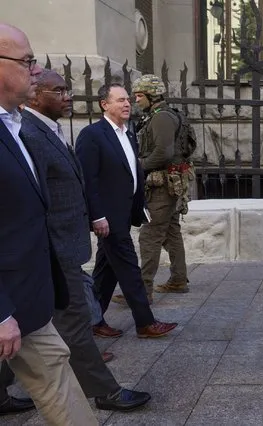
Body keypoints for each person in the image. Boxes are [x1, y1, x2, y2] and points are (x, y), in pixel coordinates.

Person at [0, 70, 151, 412]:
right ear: (35, 96)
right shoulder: (28, 133)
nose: (68, 96)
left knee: (23, 322)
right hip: (53, 248)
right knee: (74, 320)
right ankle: (105, 391)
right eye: (58, 90)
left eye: (67, 89)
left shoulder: (45, 128)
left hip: (60, 244)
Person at [0, 23, 98, 425]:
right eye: (27, 61)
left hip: (26, 298)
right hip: (6, 306)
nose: (36, 70)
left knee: (58, 375)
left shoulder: (17, 126)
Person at [75, 83, 178, 339]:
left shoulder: (128, 132)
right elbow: (88, 179)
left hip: (124, 211)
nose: (126, 104)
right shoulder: (92, 135)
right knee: (130, 267)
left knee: (106, 269)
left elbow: (131, 171)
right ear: (104, 104)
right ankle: (145, 322)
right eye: (119, 100)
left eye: (128, 100)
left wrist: (139, 204)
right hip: (107, 216)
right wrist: (97, 215)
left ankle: (93, 319)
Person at [132, 74, 191, 300]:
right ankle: (178, 279)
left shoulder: (161, 118)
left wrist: (137, 167)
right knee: (171, 232)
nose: (136, 101)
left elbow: (162, 153)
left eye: (139, 96)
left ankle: (142, 291)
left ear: (151, 95)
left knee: (150, 235)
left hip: (162, 186)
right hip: (170, 183)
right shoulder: (163, 115)